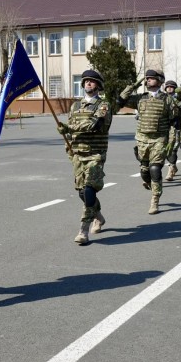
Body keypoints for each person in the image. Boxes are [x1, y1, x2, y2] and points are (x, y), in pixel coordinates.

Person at [57, 70, 112, 243]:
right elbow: (71, 132)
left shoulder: (103, 105)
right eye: (86, 81)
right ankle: (98, 215)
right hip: (78, 154)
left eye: (92, 81)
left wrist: (69, 128)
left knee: (89, 190)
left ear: (98, 85)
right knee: (82, 193)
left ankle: (83, 230)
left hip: (95, 154)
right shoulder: (75, 106)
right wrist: (68, 146)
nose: (88, 83)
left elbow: (95, 125)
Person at [117, 69, 176, 214]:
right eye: (147, 78)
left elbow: (174, 122)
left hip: (159, 139)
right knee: (144, 171)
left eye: (151, 78)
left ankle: (155, 200)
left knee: (155, 169)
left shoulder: (168, 100)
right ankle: (152, 185)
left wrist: (171, 141)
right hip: (142, 140)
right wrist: (131, 87)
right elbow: (119, 102)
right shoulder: (140, 98)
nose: (148, 80)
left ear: (160, 81)